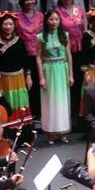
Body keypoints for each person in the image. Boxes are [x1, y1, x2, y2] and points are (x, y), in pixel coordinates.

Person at [0, 11, 33, 123]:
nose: (8, 27)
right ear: (1, 26)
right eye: (5, 24)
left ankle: (21, 125)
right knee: (6, 101)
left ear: (14, 26)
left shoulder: (19, 42)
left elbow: (25, 61)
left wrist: (28, 76)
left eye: (11, 24)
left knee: (20, 101)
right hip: (3, 80)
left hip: (19, 79)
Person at [36, 10, 74, 144]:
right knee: (50, 102)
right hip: (49, 70)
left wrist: (71, 74)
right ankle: (50, 133)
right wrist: (41, 77)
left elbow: (69, 56)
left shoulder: (65, 35)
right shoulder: (41, 37)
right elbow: (38, 57)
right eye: (51, 19)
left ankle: (62, 132)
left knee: (62, 101)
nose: (54, 22)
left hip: (62, 69)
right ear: (47, 21)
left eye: (56, 19)